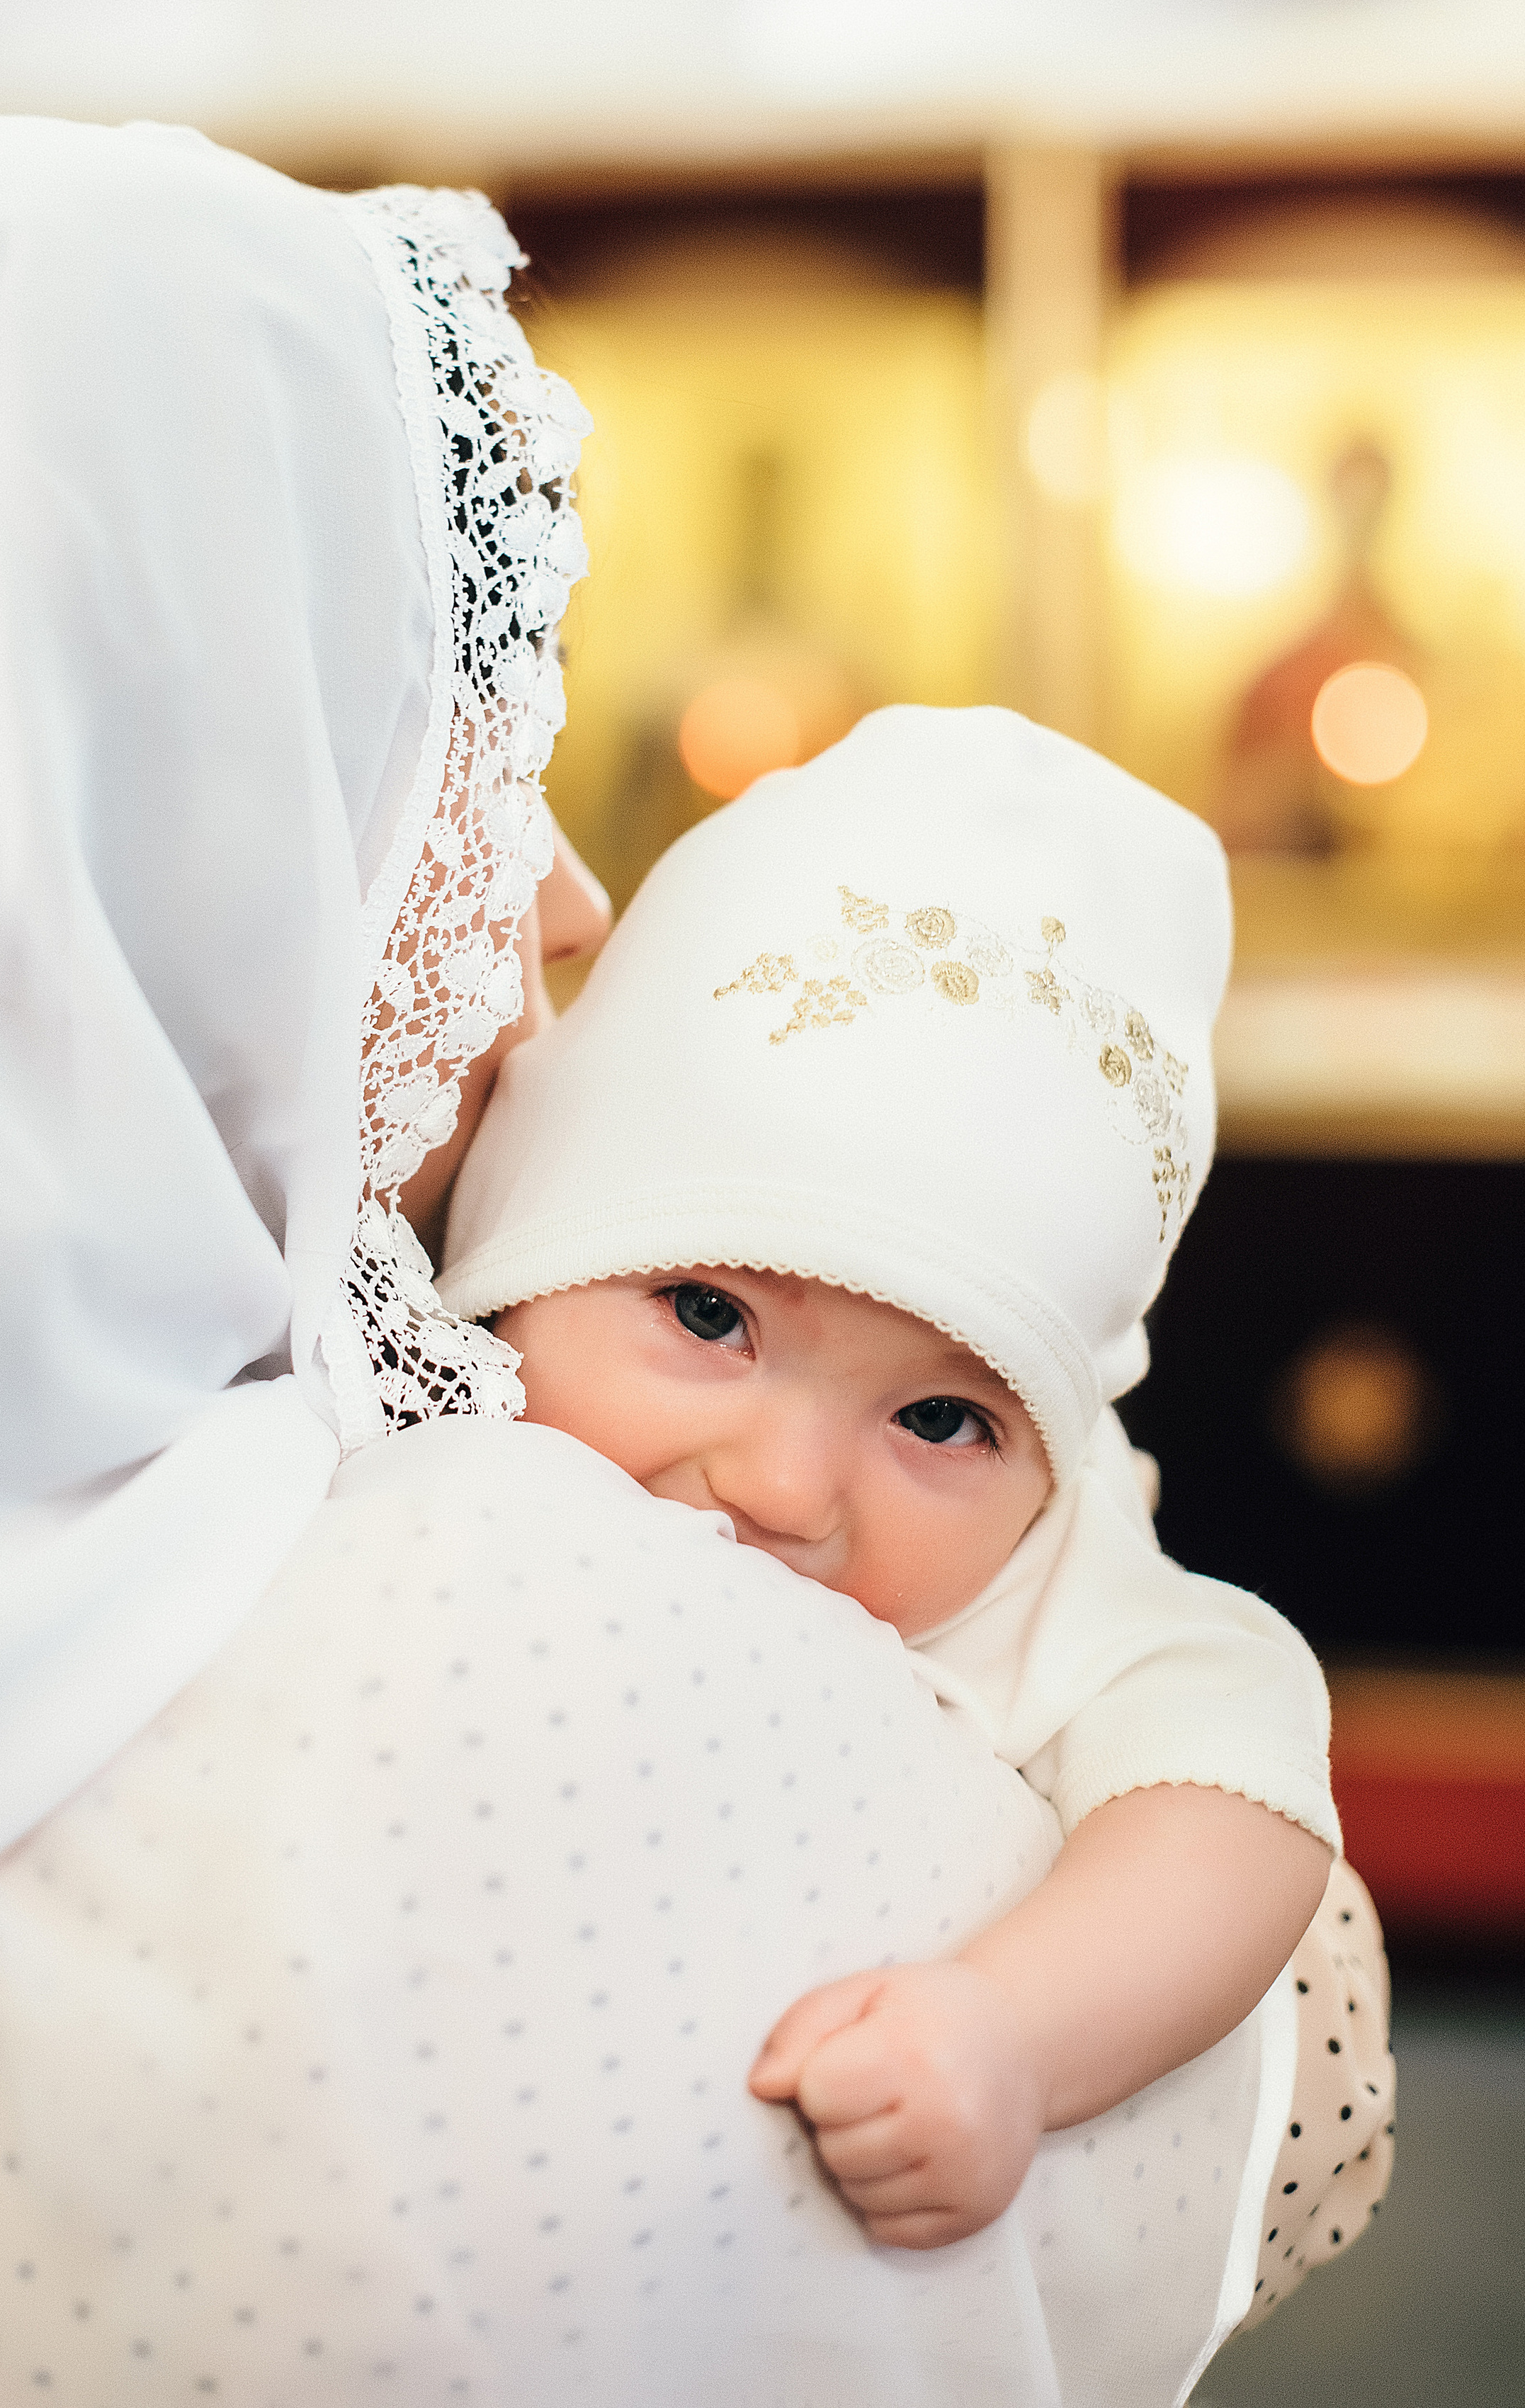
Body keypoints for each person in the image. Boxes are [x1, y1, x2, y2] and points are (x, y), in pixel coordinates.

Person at [0, 120, 1296, 2408]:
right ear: (155, 789)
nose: (562, 895)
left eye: (947, 1411)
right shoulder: (489, 1608)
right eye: (447, 747)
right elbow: (1269, 2090)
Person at [443, 706, 1395, 2278]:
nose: (781, 1486)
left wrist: (1012, 2032)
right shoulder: (406, 1412)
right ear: (516, 1243)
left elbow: (1237, 1812)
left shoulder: (1050, 1577)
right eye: (708, 1315)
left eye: (941, 1419)